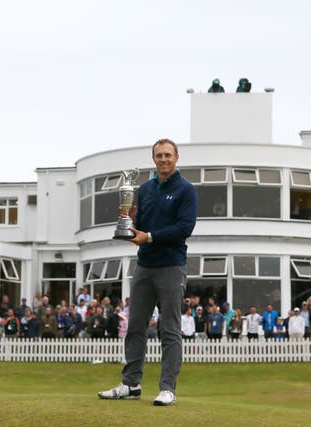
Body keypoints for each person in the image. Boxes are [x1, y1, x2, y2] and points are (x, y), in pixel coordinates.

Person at [99, 138, 197, 407]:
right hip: (144, 266)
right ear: (153, 159)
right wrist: (127, 220)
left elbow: (184, 228)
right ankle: (131, 384)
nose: (163, 159)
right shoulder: (145, 189)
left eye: (167, 155)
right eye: (158, 155)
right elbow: (139, 225)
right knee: (134, 327)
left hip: (171, 266)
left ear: (176, 157)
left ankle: (168, 388)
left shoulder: (186, 190)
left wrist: (150, 237)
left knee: (170, 329)